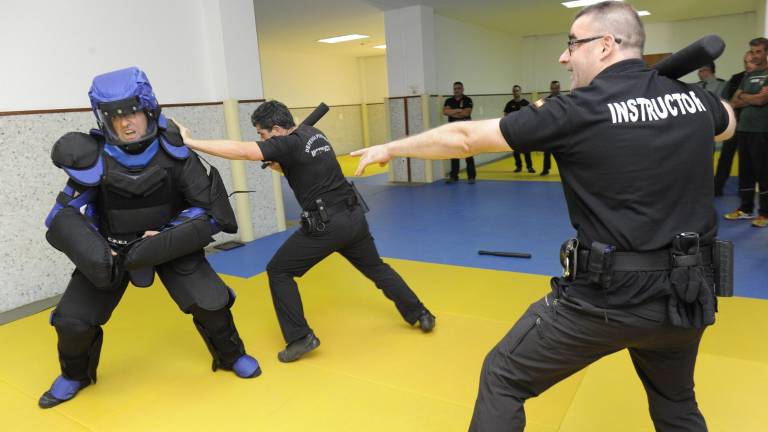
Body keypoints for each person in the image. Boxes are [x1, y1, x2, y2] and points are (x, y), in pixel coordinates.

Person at [353, 2, 735, 430]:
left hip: (608, 300)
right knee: (676, 404)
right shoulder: (695, 101)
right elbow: (728, 125)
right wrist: (667, 96)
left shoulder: (575, 110)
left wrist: (390, 148)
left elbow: (463, 139)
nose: (564, 56)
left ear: (606, 44)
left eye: (573, 43)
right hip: (686, 297)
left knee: (503, 377)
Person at [39, 67, 261, 409]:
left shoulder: (174, 150)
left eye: (132, 113)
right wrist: (98, 251)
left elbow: (209, 211)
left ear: (149, 109)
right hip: (114, 250)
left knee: (212, 303)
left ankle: (231, 356)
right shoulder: (93, 158)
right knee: (72, 320)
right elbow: (61, 215)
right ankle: (74, 375)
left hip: (169, 243)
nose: (126, 123)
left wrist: (169, 234)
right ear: (103, 119)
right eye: (115, 117)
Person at [175, 100, 435, 363]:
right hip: (353, 216)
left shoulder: (289, 143)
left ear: (276, 129)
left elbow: (242, 151)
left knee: (279, 271)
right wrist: (280, 165)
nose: (262, 140)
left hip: (327, 224)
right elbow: (302, 165)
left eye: (262, 135)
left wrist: (191, 142)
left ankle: (300, 338)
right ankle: (421, 313)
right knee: (377, 269)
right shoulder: (314, 134)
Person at [724, 37, 768, 228]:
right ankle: (746, 208)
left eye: (759, 51)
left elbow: (762, 101)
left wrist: (747, 96)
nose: (755, 55)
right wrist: (753, 96)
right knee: (746, 171)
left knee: (763, 172)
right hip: (744, 129)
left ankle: (765, 213)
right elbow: (734, 101)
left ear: (766, 53)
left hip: (762, 130)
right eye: (753, 51)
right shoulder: (749, 75)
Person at [714, 52, 756, 196]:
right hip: (735, 125)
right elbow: (729, 102)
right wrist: (751, 100)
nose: (747, 64)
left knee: (749, 161)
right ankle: (717, 188)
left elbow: (761, 101)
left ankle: (745, 192)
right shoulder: (736, 78)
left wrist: (742, 100)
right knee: (725, 157)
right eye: (745, 61)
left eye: (750, 61)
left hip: (753, 127)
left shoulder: (763, 78)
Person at [443, 81, 476, 184]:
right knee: (454, 154)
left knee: (468, 154)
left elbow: (466, 113)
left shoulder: (467, 100)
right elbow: (445, 112)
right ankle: (454, 176)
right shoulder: (449, 100)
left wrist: (453, 113)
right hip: (453, 131)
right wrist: (458, 110)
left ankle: (471, 177)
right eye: (455, 88)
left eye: (458, 88)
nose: (456, 90)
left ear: (462, 89)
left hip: (466, 131)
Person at [503, 85, 535, 173]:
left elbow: (531, 114)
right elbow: (505, 116)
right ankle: (518, 167)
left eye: (517, 90)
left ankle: (529, 167)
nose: (515, 92)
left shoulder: (526, 103)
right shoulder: (509, 104)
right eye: (514, 91)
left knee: (526, 150)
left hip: (524, 130)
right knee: (516, 151)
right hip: (513, 131)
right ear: (512, 92)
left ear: (520, 92)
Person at [539, 81, 561, 176]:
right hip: (549, 129)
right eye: (552, 88)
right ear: (550, 88)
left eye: (556, 88)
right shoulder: (546, 99)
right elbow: (535, 106)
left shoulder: (564, 98)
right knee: (547, 152)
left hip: (561, 129)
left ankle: (564, 171)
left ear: (559, 88)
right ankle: (545, 169)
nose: (554, 90)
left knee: (561, 153)